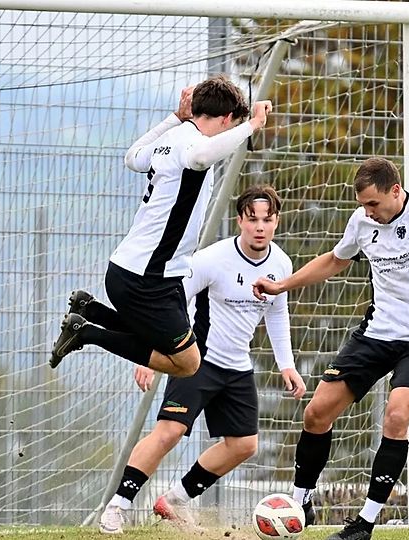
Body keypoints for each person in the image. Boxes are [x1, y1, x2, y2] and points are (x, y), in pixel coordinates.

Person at [252, 157, 409, 540]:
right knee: (317, 413)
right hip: (377, 334)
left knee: (397, 416)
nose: (367, 211)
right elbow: (335, 260)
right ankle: (301, 503)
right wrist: (282, 285)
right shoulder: (361, 222)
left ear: (395, 192)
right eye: (363, 204)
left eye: (373, 204)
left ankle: (364, 524)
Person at [95, 184, 306, 534]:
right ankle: (117, 506)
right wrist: (153, 355)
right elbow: (170, 303)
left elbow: (277, 313)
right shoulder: (212, 259)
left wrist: (287, 365)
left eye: (266, 220)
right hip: (197, 361)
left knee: (244, 445)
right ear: (240, 220)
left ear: (276, 222)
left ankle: (174, 500)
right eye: (252, 219)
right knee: (169, 432)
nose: (259, 227)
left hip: (238, 367)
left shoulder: (281, 263)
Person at [50, 75, 272, 378]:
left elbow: (132, 157)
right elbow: (202, 155)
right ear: (228, 118)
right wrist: (254, 125)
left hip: (138, 271)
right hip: (146, 279)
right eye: (234, 125)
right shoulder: (194, 146)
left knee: (166, 342)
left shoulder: (173, 137)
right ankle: (87, 332)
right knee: (187, 363)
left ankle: (91, 311)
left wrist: (174, 118)